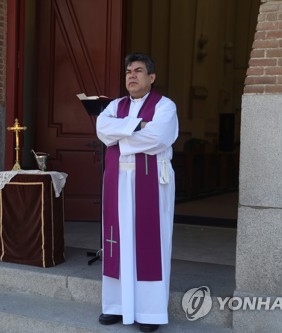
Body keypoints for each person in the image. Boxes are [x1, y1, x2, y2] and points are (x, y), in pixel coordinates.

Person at [96, 53, 179, 332]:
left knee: (148, 243)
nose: (131, 75)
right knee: (116, 240)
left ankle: (150, 312)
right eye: (128, 71)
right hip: (118, 180)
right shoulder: (114, 105)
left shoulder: (165, 106)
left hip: (151, 181)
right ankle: (115, 306)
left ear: (151, 78)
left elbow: (158, 138)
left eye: (139, 71)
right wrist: (137, 126)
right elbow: (101, 129)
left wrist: (121, 136)